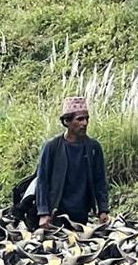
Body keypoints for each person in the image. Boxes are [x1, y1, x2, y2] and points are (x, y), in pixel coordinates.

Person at [33, 95, 110, 229]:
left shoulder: (93, 148)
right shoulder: (52, 147)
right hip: (56, 214)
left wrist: (103, 209)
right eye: (79, 119)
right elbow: (42, 181)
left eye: (86, 119)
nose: (84, 123)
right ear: (67, 121)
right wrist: (43, 212)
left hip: (81, 215)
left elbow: (100, 180)